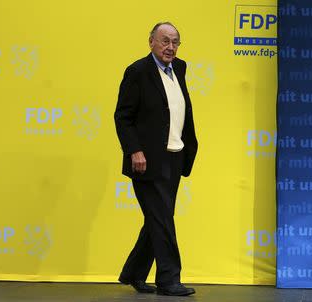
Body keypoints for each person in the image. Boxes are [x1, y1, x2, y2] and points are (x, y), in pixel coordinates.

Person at [114, 22, 198, 296]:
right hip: (146, 160)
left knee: (157, 218)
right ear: (151, 41)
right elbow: (123, 117)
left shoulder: (180, 69)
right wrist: (134, 150)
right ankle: (168, 280)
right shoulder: (137, 72)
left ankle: (134, 273)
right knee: (162, 219)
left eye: (175, 41)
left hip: (174, 157)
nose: (170, 47)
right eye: (164, 41)